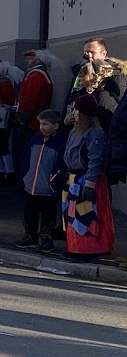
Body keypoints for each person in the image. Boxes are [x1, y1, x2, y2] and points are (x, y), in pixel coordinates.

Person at [62, 93, 115, 262]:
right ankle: (74, 246)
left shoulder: (94, 133)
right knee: (71, 215)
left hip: (86, 180)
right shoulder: (75, 131)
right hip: (73, 179)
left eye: (75, 110)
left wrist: (90, 185)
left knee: (85, 215)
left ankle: (88, 249)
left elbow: (95, 159)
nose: (73, 113)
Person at [14, 109, 67, 253]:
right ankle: (30, 236)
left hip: (48, 188)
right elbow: (26, 158)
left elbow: (61, 165)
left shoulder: (61, 143)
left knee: (48, 215)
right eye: (40, 124)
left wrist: (54, 181)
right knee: (29, 212)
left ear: (55, 126)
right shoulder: (35, 139)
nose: (42, 127)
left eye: (45, 124)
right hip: (31, 185)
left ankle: (46, 239)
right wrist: (24, 176)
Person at [14, 49, 54, 190]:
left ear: (38, 60)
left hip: (30, 124)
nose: (27, 61)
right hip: (33, 121)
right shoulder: (41, 75)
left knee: (25, 155)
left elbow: (30, 100)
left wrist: (22, 120)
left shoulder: (36, 76)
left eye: (30, 59)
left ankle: (23, 183)